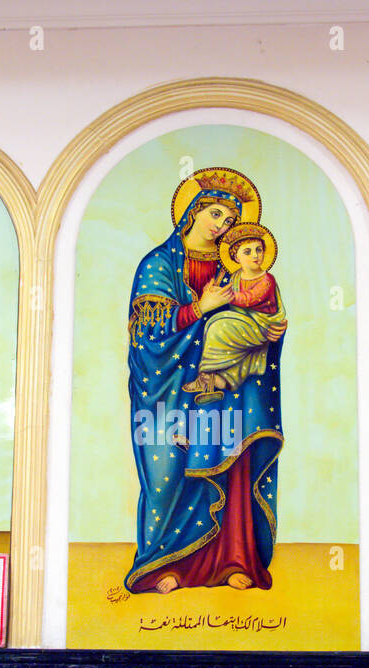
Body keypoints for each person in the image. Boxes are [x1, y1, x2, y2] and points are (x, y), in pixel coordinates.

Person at [124, 169, 286, 594]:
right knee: (169, 472)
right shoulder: (158, 264)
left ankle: (234, 560)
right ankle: (164, 566)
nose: (221, 227)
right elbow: (146, 334)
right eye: (216, 214)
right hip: (169, 387)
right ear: (194, 210)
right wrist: (200, 309)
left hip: (226, 392)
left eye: (229, 222)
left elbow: (258, 313)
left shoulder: (234, 266)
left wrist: (265, 331)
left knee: (229, 466)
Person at [182, 223, 284, 400]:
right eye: (248, 252)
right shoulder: (236, 277)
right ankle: (214, 380)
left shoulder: (266, 280)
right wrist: (212, 290)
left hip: (262, 326)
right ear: (236, 257)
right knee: (213, 324)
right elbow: (230, 294)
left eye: (259, 250)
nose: (255, 255)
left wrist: (225, 296)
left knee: (218, 326)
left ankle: (205, 375)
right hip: (244, 323)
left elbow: (248, 299)